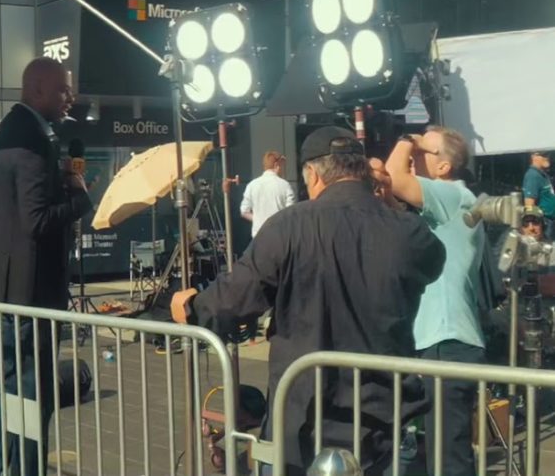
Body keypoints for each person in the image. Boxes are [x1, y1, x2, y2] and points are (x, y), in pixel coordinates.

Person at [171, 126, 445, 476]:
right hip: (382, 424)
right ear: (363, 170)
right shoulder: (408, 231)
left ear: (313, 175)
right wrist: (389, 202)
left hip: (303, 423)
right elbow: (433, 258)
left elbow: (231, 300)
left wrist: (190, 306)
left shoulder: (289, 226)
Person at [0, 57, 93, 476]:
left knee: (12, 390)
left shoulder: (11, 133)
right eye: (63, 89)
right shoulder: (29, 140)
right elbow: (36, 221)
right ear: (38, 88)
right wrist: (80, 199)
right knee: (29, 393)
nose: (69, 98)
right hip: (31, 296)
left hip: (14, 290)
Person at [382, 126, 484, 476]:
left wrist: (406, 139)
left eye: (424, 152)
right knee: (440, 452)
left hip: (447, 340)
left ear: (443, 167)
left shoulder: (451, 195)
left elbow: (393, 177)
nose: (414, 156)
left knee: (448, 457)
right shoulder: (445, 204)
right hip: (443, 340)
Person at [240, 150, 296, 238]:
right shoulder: (285, 185)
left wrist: (259, 219)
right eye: (282, 166)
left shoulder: (252, 185)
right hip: (279, 235)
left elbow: (244, 211)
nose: (283, 170)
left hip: (259, 236)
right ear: (276, 165)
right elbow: (290, 212)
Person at [523, 151, 554, 238]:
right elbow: (529, 205)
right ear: (533, 157)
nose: (547, 157)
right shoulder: (533, 176)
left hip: (550, 222)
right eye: (544, 155)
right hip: (544, 224)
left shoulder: (542, 174)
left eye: (548, 154)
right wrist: (533, 226)